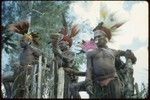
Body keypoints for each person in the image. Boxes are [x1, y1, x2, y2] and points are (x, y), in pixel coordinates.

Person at [85, 22, 136, 98]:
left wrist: (130, 55)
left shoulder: (113, 52)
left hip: (113, 81)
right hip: (97, 83)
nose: (96, 39)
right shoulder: (90, 53)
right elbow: (89, 69)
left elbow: (129, 55)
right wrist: (88, 83)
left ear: (105, 38)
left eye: (99, 36)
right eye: (95, 38)